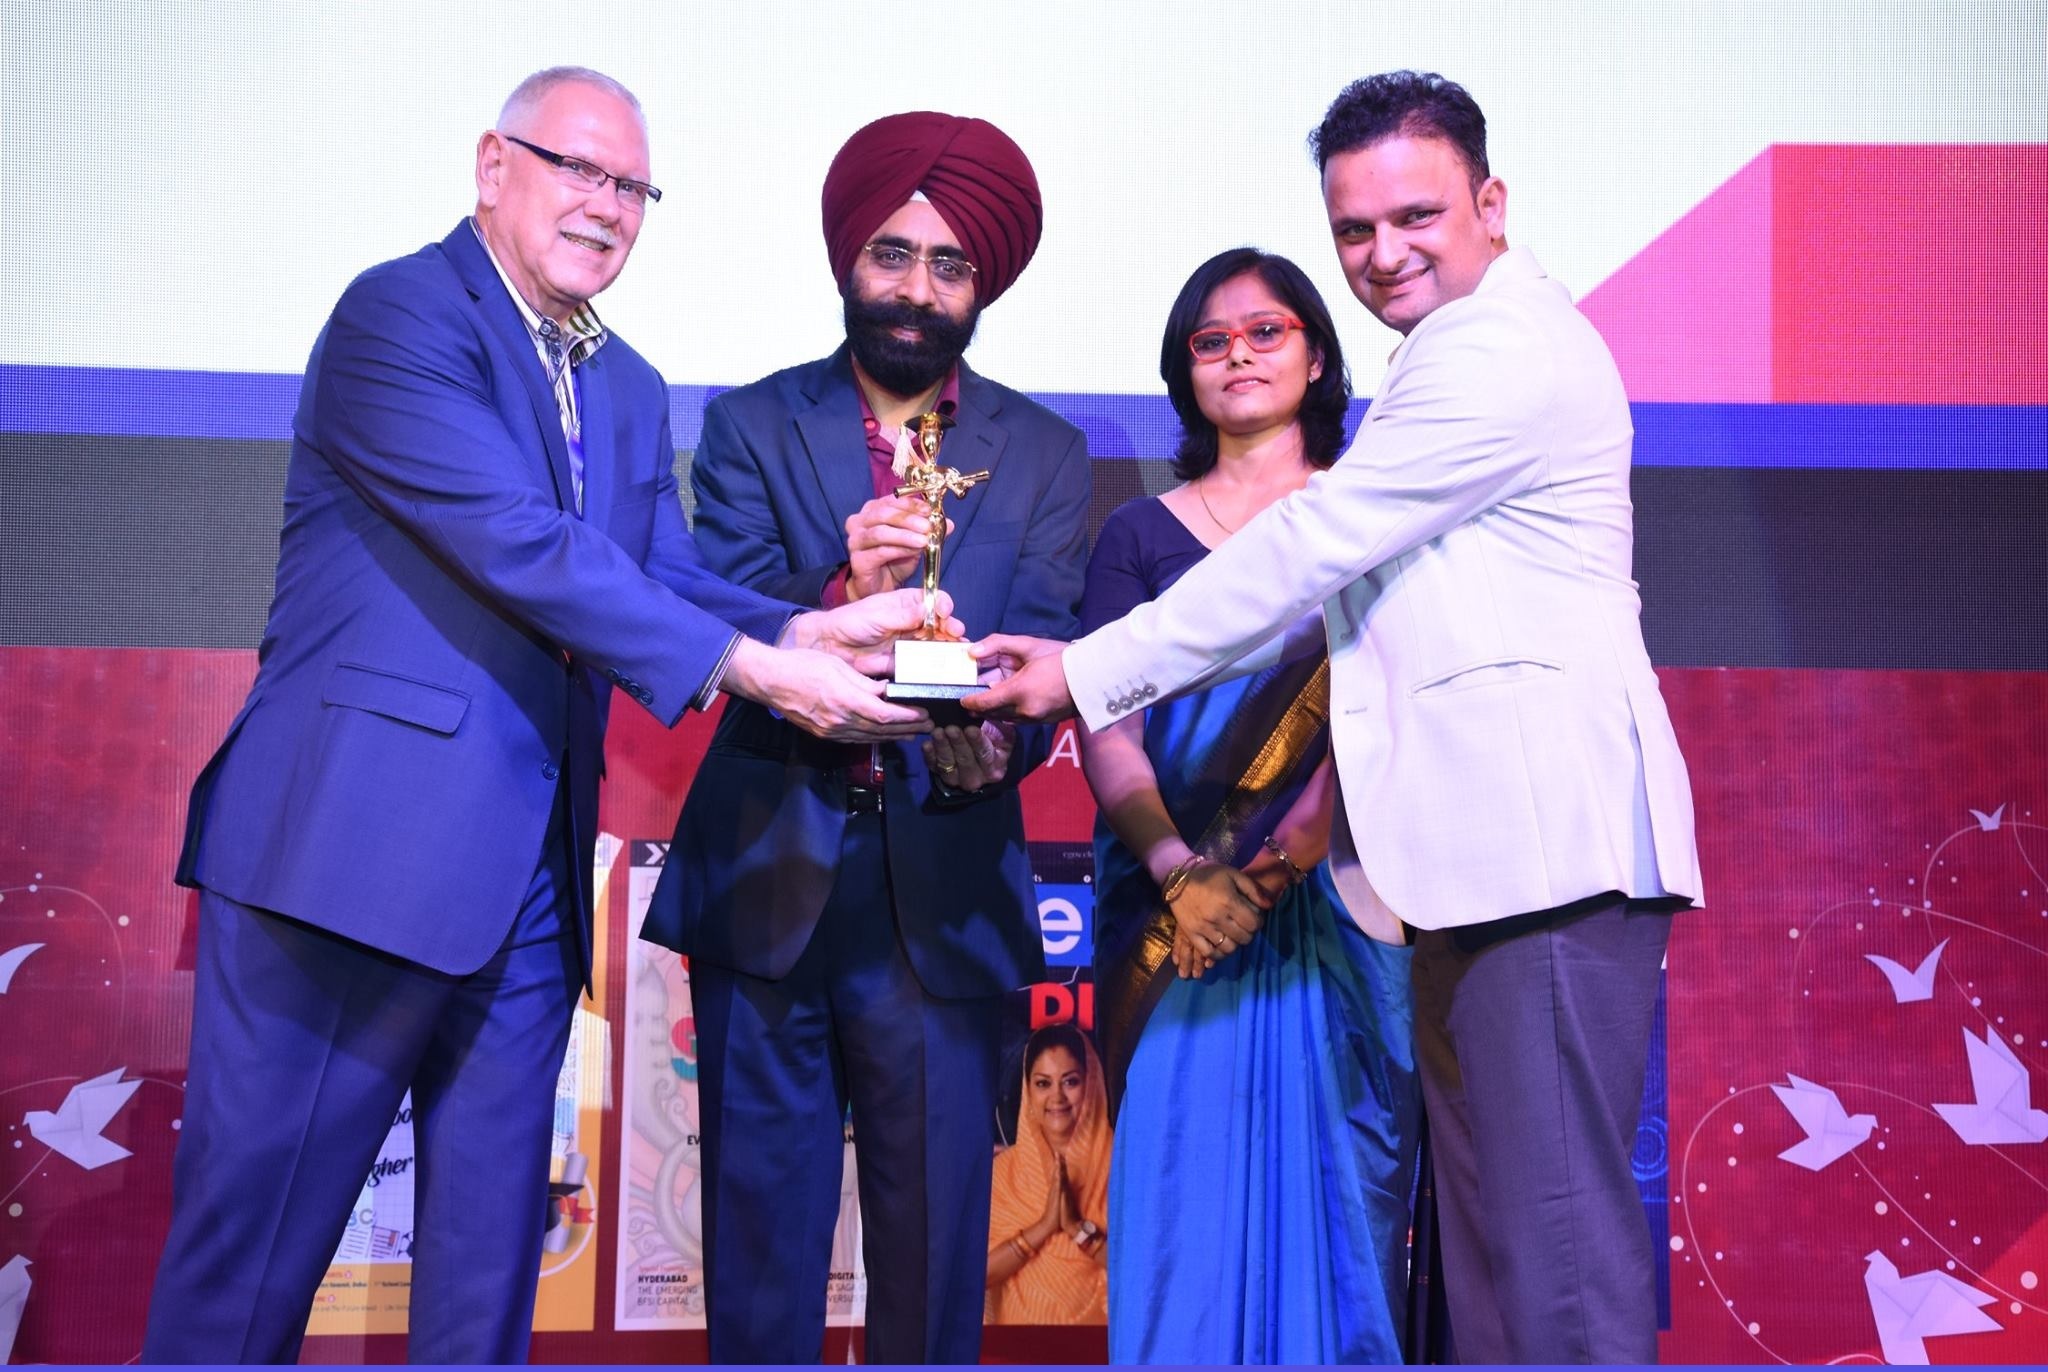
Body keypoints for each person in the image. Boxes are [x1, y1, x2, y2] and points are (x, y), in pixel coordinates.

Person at [143, 67, 942, 1365]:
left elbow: (654, 569)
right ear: (491, 165)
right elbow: (519, 542)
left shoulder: (626, 380)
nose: (606, 205)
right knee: (250, 1269)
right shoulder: (400, 314)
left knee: (488, 1284)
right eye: (578, 168)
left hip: (528, 882)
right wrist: (751, 670)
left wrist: (806, 627)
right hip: (348, 859)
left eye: (632, 186)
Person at [970, 70, 1703, 1365]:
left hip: (1539, 858)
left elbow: (1310, 546)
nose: (1383, 252)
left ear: (1491, 204)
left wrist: (1082, 674)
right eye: (1354, 228)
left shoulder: (1494, 350)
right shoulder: (1448, 353)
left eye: (1416, 216)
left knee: (1554, 1269)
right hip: (1471, 870)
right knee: (1495, 1265)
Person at [639, 111, 1090, 1364]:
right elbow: (714, 610)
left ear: (981, 284)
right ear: (849, 258)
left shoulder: (1045, 453)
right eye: (892, 254)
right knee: (757, 1249)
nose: (915, 288)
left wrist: (980, 723)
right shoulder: (750, 422)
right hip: (766, 873)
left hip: (946, 882)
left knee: (933, 1260)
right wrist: (841, 590)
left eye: (948, 265)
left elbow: (1042, 645)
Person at [1081, 248, 1420, 1364]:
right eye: (1210, 340)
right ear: (1184, 371)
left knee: (1343, 1199)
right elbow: (1108, 725)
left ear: (1316, 355)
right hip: (1174, 921)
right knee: (1180, 1207)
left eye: (1266, 331)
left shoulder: (1367, 516)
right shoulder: (1138, 536)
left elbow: (1390, 691)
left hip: (1339, 898)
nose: (1238, 354)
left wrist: (1283, 857)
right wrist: (1180, 872)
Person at [984, 1023, 1111, 1325]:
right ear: (1027, 1090)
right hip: (1017, 1345)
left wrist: (1078, 1230)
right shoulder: (1002, 1174)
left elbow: (1147, 1272)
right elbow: (974, 1277)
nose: (1057, 1097)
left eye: (1070, 1082)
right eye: (1043, 1083)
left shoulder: (1122, 1169)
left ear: (1091, 1082)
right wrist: (1043, 1228)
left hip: (1106, 1344)